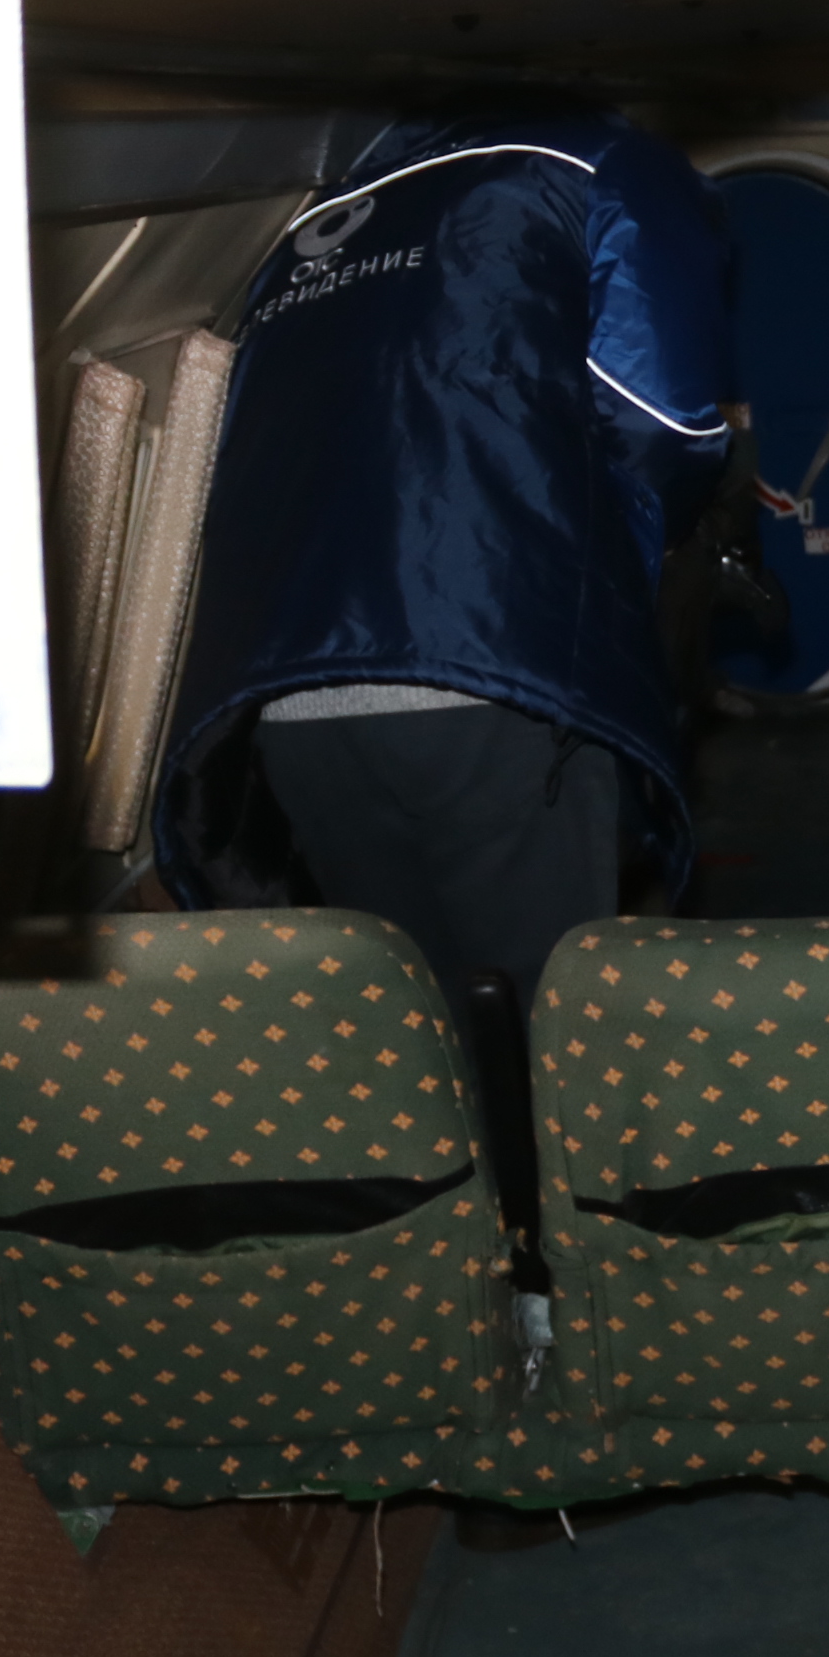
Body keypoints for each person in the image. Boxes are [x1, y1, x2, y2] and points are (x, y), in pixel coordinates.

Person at [153, 108, 739, 1024]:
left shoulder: (323, 213)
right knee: (551, 1020)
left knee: (409, 1026)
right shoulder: (600, 162)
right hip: (492, 653)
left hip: (290, 691)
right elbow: (663, 418)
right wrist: (654, 539)